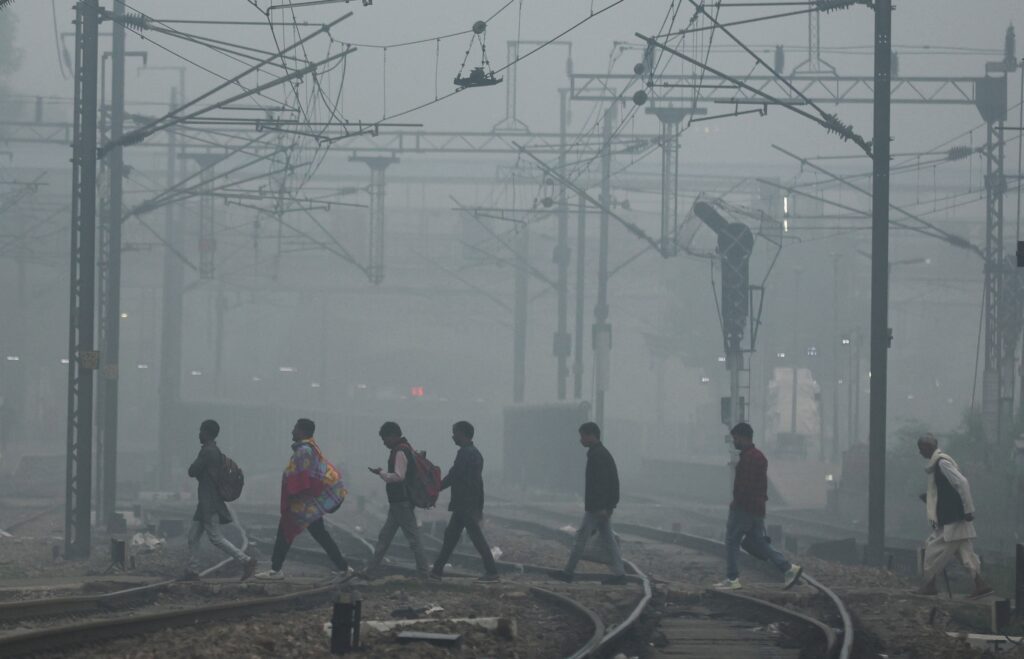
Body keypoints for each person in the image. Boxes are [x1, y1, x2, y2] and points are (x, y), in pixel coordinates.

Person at [255, 418, 350, 580]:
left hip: (303, 503)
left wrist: (292, 495)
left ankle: (275, 570)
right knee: (320, 535)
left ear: (302, 431)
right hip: (308, 504)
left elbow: (302, 477)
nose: (292, 431)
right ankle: (344, 568)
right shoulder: (310, 448)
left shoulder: (304, 451)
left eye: (295, 428)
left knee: (285, 532)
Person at [714, 422, 802, 591]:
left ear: (743, 437)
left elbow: (744, 486)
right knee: (760, 543)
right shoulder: (758, 456)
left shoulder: (748, 458)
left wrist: (737, 504)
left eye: (735, 438)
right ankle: (788, 568)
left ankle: (732, 578)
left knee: (732, 541)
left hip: (743, 509)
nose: (734, 442)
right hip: (757, 508)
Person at [916, 433, 992, 598]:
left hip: (953, 518)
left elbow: (962, 483)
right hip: (954, 517)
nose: (920, 453)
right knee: (965, 553)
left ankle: (929, 584)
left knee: (931, 549)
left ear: (928, 447)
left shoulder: (942, 463)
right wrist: (930, 498)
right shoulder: (937, 466)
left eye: (921, 449)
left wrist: (968, 510)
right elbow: (946, 491)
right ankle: (981, 584)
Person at [550, 422, 627, 585]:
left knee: (580, 539)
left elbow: (601, 484)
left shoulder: (597, 455)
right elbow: (613, 482)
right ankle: (620, 574)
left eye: (583, 436)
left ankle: (568, 573)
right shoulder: (600, 453)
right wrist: (610, 506)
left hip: (596, 508)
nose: (581, 440)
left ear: (591, 435)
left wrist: (602, 507)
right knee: (608, 540)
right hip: (601, 507)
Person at [183, 419, 256, 581]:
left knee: (216, 537)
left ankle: (246, 561)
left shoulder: (208, 451)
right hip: (205, 503)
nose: (199, 435)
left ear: (207, 433)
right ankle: (192, 570)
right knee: (193, 536)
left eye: (201, 431)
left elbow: (192, 471)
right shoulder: (214, 451)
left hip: (210, 503)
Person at [430, 421, 500, 582]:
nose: (453, 436)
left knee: (474, 536)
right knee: (451, 536)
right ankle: (437, 570)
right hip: (469, 502)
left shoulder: (465, 454)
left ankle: (492, 572)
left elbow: (455, 475)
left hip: (464, 503)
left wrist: (435, 488)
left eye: (455, 433)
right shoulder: (475, 453)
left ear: (462, 434)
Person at [362, 421, 429, 576]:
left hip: (402, 502)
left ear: (392, 436)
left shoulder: (400, 451)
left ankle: (424, 572)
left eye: (385, 439)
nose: (384, 443)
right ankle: (371, 569)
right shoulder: (405, 448)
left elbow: (399, 476)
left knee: (412, 539)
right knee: (384, 538)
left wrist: (381, 473)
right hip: (398, 503)